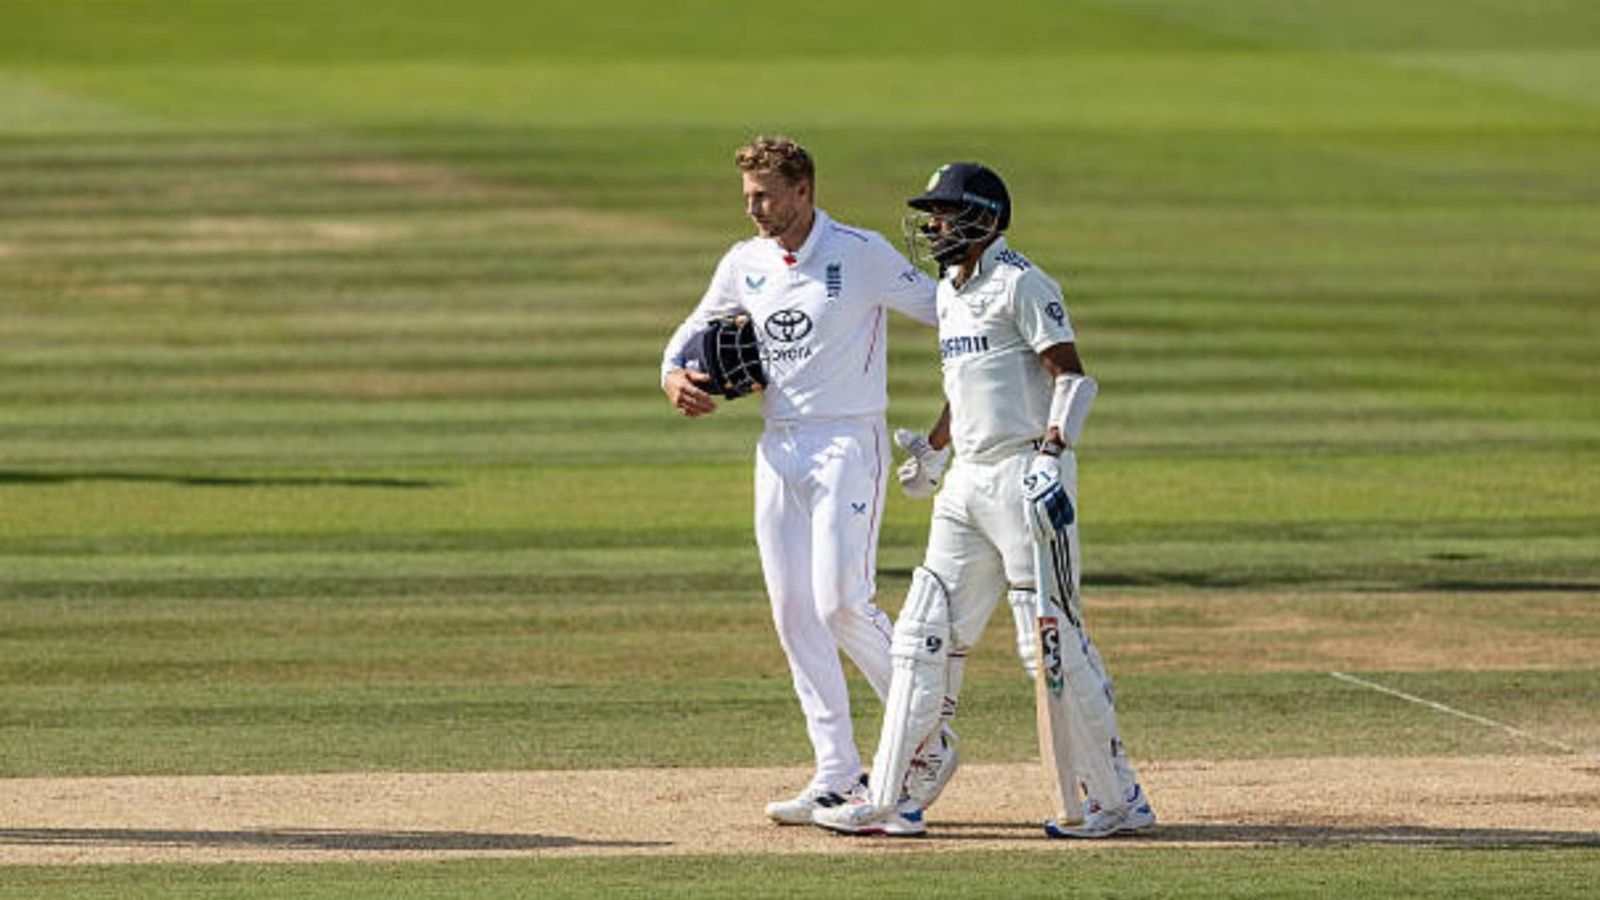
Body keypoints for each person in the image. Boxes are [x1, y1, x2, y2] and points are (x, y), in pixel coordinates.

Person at [812, 162, 1154, 838]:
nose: (933, 225)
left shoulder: (1023, 282)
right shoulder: (950, 291)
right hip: (968, 481)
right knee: (920, 637)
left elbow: (1073, 379)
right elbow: (963, 383)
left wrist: (1053, 455)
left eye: (944, 213)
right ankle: (889, 801)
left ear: (985, 219)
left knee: (1049, 646)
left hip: (1027, 477)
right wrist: (936, 451)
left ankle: (1118, 799)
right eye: (931, 214)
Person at [660, 136, 958, 825]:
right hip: (778, 450)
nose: (755, 209)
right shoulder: (745, 262)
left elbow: (951, 314)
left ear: (803, 190)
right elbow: (686, 335)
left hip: (847, 444)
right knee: (794, 614)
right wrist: (673, 377)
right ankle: (836, 769)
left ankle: (928, 742)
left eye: (766, 195)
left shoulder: (860, 253)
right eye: (747, 197)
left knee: (842, 604)